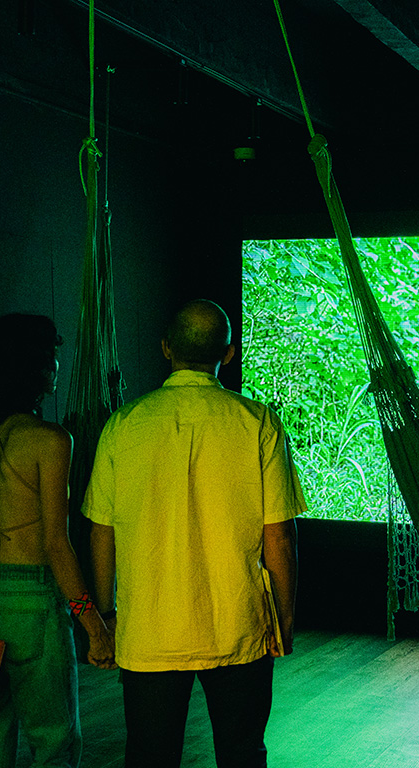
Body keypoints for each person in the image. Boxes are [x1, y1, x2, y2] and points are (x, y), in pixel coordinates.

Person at [83, 299, 305, 768]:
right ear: (228, 354)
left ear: (166, 348)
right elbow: (280, 538)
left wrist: (105, 617)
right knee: (243, 752)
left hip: (149, 631)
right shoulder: (257, 423)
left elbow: (100, 532)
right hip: (237, 625)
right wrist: (283, 617)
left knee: (149, 757)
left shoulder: (123, 426)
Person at [0, 313, 115, 768]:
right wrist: (94, 624)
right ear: (30, 369)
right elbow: (57, 544)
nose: (56, 369)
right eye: (51, 360)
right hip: (33, 604)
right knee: (54, 741)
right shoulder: (50, 440)